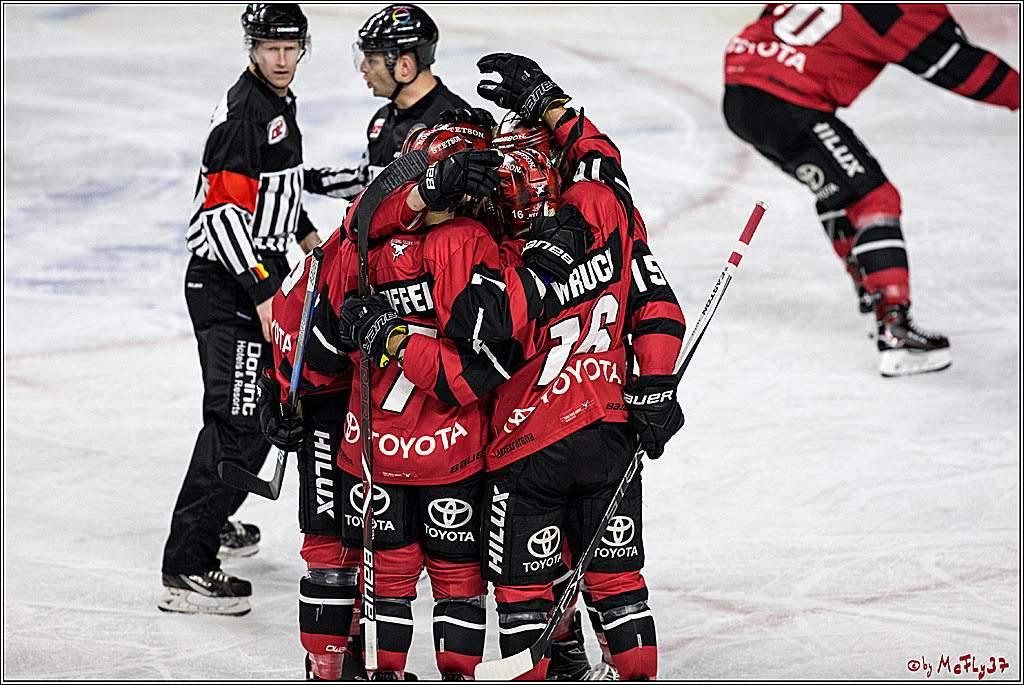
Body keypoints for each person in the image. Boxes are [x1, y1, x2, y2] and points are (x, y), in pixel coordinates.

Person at [347, 53, 688, 680]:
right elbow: (658, 301)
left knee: (524, 590)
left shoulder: (488, 248)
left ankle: (553, 667)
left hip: (524, 445)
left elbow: (477, 335)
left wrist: (390, 335)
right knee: (617, 577)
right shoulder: (606, 209)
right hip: (610, 425)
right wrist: (657, 388)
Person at [721, 3, 1019, 377]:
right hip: (787, 99)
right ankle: (894, 328)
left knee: (839, 191)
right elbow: (958, 67)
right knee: (874, 198)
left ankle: (871, 287)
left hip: (741, 90)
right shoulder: (897, 9)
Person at [159, 3, 320, 617]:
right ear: (251, 47)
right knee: (238, 419)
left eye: (291, 48)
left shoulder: (275, 101)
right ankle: (187, 565)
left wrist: (304, 232)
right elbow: (222, 216)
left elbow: (270, 190)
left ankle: (214, 515)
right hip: (227, 284)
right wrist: (261, 295)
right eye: (269, 48)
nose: (282, 59)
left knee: (263, 412)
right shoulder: (250, 111)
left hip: (253, 272)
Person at [303, 4, 471, 201]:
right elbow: (367, 183)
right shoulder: (383, 118)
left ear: (405, 66)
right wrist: (302, 179)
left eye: (372, 60)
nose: (364, 68)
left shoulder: (454, 123)